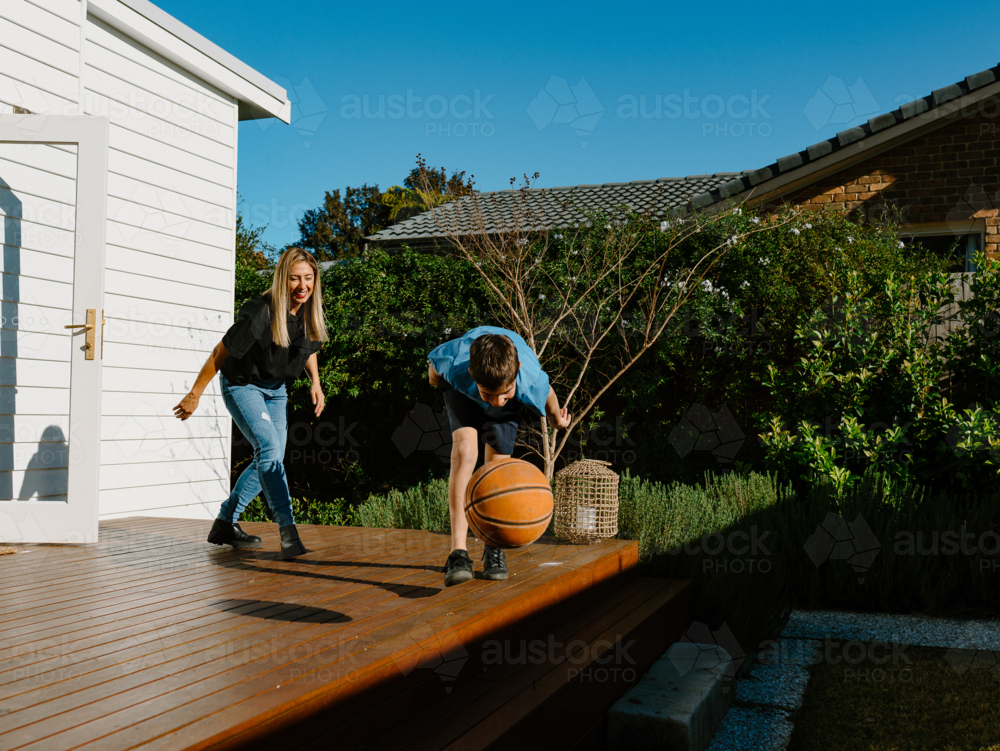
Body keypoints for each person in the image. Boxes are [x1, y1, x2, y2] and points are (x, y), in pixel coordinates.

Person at [173, 247, 328, 560]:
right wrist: (195, 393)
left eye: (308, 278)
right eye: (295, 278)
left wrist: (316, 382)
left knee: (270, 456)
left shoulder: (308, 312)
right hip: (242, 384)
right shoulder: (263, 312)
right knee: (270, 451)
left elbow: (308, 347)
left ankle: (224, 524)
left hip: (276, 389)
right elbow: (221, 351)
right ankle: (288, 534)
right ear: (283, 279)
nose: (302, 286)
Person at [427, 326, 571, 586]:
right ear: (471, 373)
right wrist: (434, 380)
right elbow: (435, 367)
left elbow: (549, 395)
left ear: (516, 370)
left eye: (504, 394)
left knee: (497, 467)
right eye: (489, 396)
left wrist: (556, 418)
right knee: (464, 452)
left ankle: (493, 546)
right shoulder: (457, 366)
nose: (496, 402)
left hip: (503, 382)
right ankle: (458, 553)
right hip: (462, 391)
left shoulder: (528, 382)